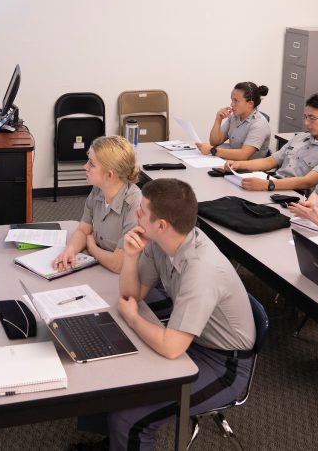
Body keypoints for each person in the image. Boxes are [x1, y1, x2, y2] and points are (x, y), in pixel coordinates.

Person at [88, 179, 256, 451]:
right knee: (111, 372)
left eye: (141, 211)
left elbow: (171, 347)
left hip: (223, 364)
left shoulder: (201, 270)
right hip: (192, 338)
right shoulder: (162, 241)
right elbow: (133, 295)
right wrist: (130, 257)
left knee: (129, 418)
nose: (136, 215)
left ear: (162, 224)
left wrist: (133, 318)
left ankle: (123, 437)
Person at [53, 136, 142, 274]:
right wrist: (70, 251)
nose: (85, 166)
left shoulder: (135, 204)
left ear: (109, 175)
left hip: (128, 280)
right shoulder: (98, 190)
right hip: (104, 270)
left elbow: (118, 264)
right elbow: (84, 230)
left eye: (91, 164)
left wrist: (92, 247)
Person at [224, 93, 318, 193]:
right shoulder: (300, 137)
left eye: (312, 118)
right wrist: (238, 164)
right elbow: (270, 161)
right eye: (305, 117)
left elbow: (307, 182)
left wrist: (268, 185)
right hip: (274, 185)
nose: (306, 123)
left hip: (295, 195)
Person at [195, 81, 270, 161]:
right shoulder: (235, 117)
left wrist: (212, 150)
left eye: (236, 101)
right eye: (232, 100)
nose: (231, 104)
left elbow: (243, 155)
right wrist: (218, 119)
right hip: (232, 164)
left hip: (249, 171)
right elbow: (215, 142)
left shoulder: (259, 124)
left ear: (250, 104)